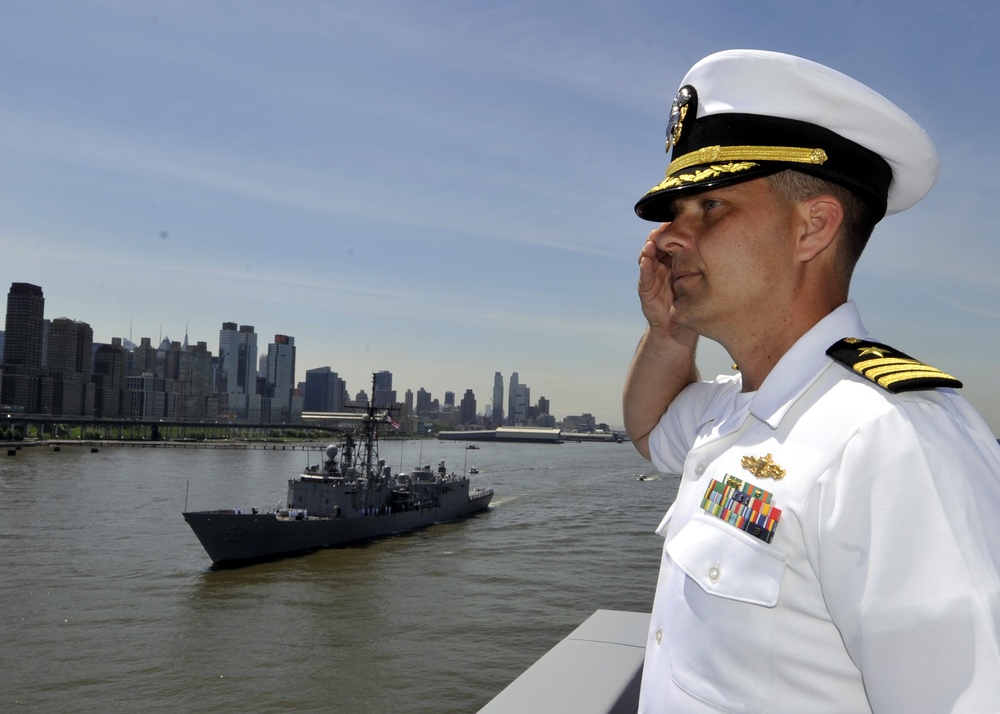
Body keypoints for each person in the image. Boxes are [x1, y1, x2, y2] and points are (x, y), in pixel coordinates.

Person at [623, 49, 1000, 713]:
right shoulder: (733, 410)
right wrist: (669, 330)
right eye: (675, 212)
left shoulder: (890, 440)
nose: (668, 239)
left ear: (813, 227)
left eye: (710, 206)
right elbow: (651, 430)